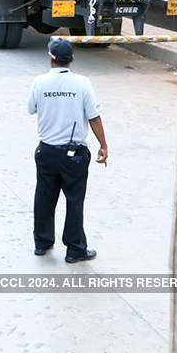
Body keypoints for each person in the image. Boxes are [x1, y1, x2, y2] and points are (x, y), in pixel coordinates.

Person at [27, 39, 108, 263]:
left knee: (44, 196)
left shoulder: (39, 82)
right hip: (75, 154)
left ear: (50, 58)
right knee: (74, 200)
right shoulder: (83, 83)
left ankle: (42, 243)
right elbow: (94, 116)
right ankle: (75, 250)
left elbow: (31, 108)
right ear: (71, 59)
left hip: (47, 151)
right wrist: (103, 145)